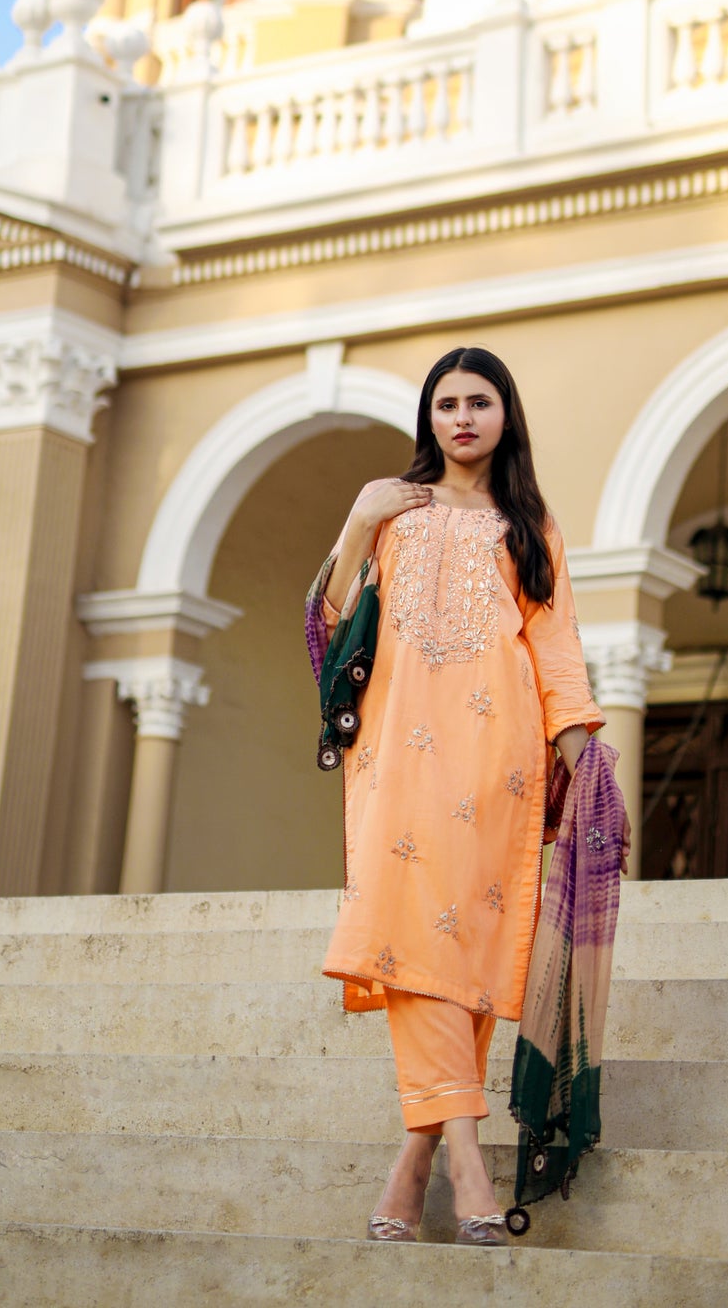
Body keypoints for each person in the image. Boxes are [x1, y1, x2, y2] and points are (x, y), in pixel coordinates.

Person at [310, 345, 606, 1245]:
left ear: (505, 415)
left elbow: (552, 648)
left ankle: (421, 1158)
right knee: (410, 932)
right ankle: (465, 1153)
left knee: (466, 942)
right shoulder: (391, 510)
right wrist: (358, 523)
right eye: (446, 404)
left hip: (497, 756)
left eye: (480, 402)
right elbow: (328, 625)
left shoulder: (529, 524)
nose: (463, 418)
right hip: (396, 754)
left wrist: (580, 751)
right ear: (428, 419)